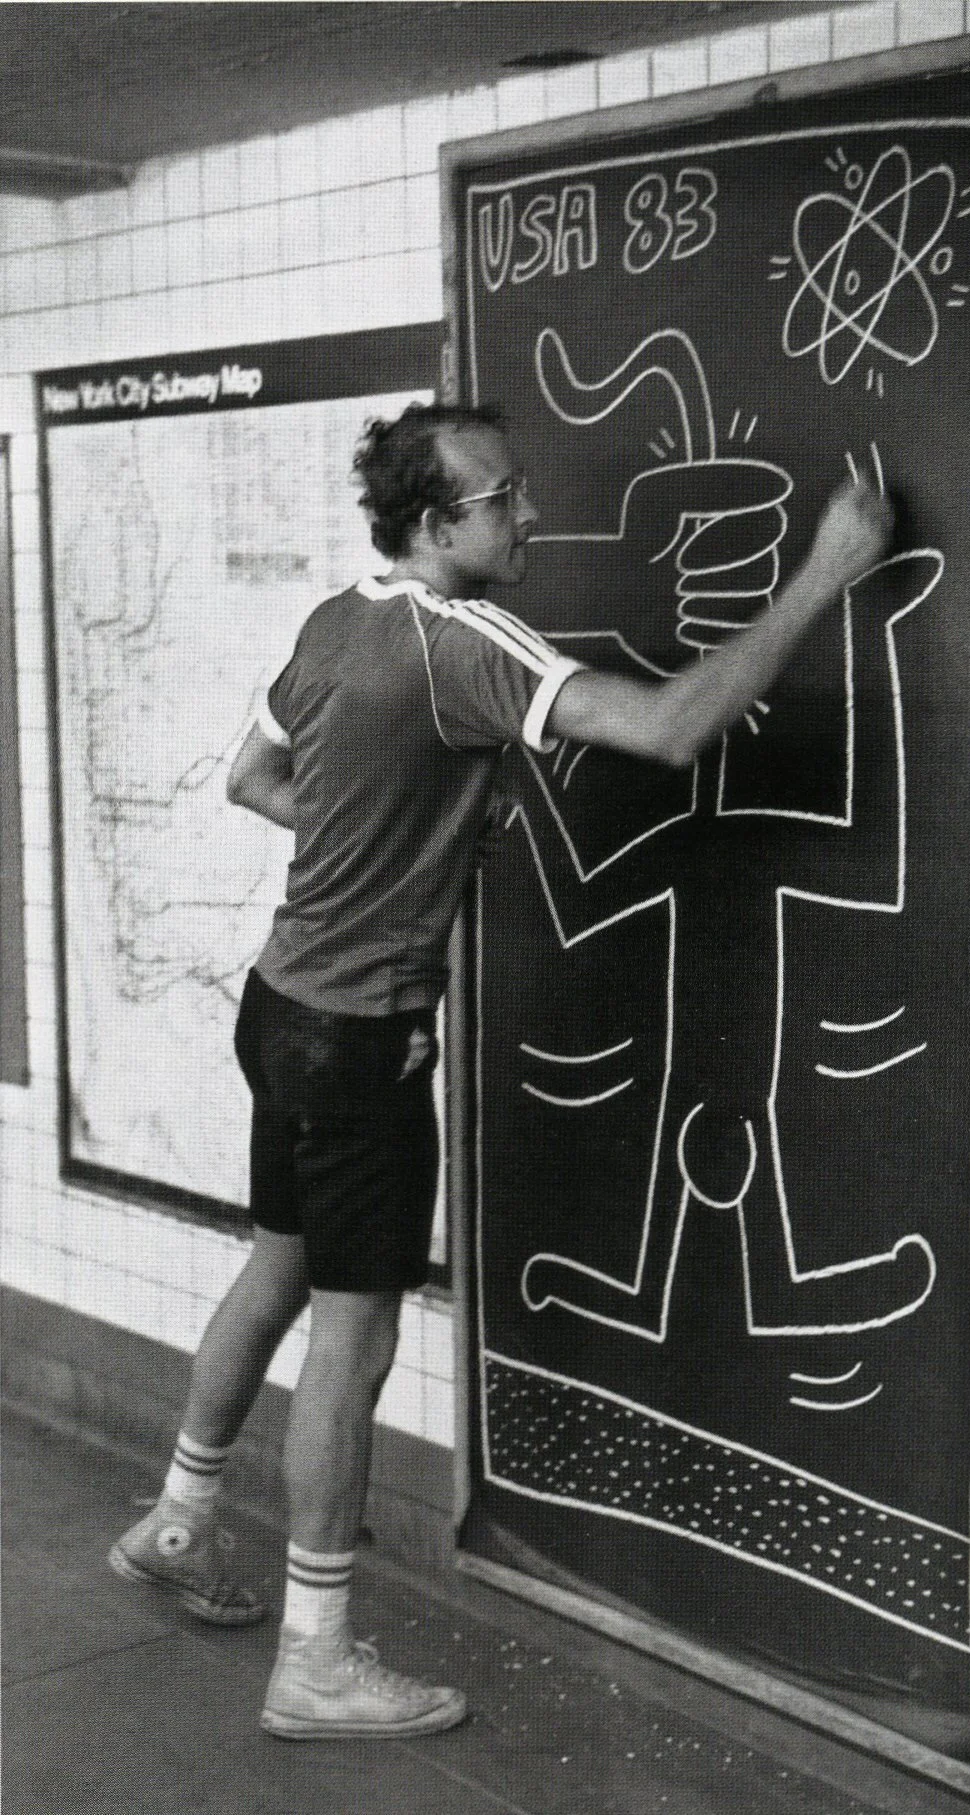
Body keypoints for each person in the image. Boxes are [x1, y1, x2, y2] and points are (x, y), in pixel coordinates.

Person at [108, 402, 892, 1741]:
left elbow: (254, 776)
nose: (527, 517)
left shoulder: (330, 623)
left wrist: (387, 847)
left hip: (280, 1004)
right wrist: (827, 566)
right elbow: (667, 727)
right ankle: (315, 1659)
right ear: (432, 524)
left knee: (277, 1267)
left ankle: (180, 1519)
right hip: (357, 1038)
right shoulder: (466, 642)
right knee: (351, 1344)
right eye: (502, 500)